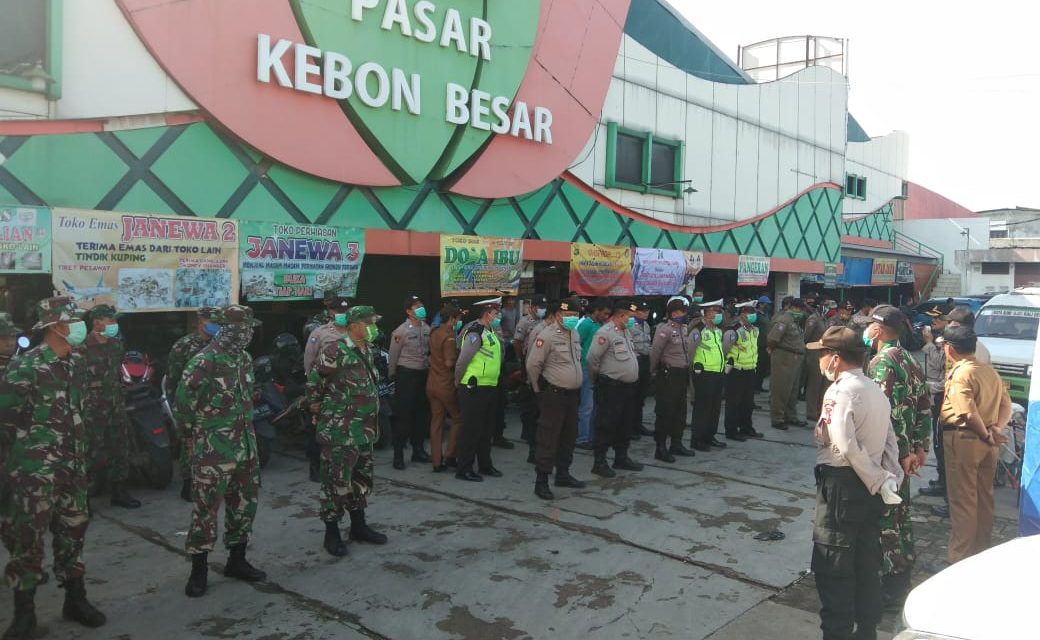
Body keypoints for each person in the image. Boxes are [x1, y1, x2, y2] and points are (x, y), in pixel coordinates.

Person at [0, 297, 107, 637]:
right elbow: (5, 420)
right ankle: (24, 613)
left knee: (73, 532)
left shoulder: (75, 363)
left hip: (72, 465)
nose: (80, 326)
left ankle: (75, 599)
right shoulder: (25, 366)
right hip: (33, 471)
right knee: (27, 540)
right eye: (74, 321)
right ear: (57, 326)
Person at [807, 326, 904, 640]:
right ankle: (866, 632)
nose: (820, 362)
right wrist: (889, 479)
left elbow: (844, 447)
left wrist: (878, 478)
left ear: (835, 359)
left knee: (834, 571)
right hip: (869, 489)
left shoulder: (840, 391)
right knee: (865, 569)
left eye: (823, 355)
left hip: (842, 489)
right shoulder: (874, 389)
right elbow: (891, 443)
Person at [174, 305, 266, 598]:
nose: (249, 334)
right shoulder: (204, 362)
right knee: (205, 510)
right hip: (214, 450)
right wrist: (192, 438)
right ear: (229, 329)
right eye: (244, 328)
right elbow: (183, 405)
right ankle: (198, 570)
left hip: (245, 447)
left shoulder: (244, 359)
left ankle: (236, 561)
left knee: (244, 506)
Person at [863, 305, 932, 611]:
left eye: (869, 327)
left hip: (889, 457)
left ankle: (891, 585)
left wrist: (903, 454)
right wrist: (920, 449)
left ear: (877, 330)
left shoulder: (882, 363)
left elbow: (884, 415)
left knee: (886, 518)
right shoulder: (909, 359)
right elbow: (924, 407)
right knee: (901, 514)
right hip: (904, 456)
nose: (866, 331)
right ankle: (902, 575)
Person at [307, 305, 388, 557]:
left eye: (373, 322)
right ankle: (331, 532)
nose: (373, 327)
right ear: (353, 325)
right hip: (341, 431)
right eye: (368, 322)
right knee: (335, 482)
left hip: (364, 430)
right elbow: (314, 385)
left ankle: (358, 526)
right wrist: (319, 412)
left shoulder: (368, 350)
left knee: (361, 478)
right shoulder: (335, 350)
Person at [938, 325, 1012, 565]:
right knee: (983, 498)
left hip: (966, 439)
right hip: (987, 441)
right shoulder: (989, 371)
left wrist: (985, 433)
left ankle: (958, 559)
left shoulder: (962, 373)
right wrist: (996, 430)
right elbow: (1006, 406)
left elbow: (968, 414)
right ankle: (981, 553)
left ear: (950, 349)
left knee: (963, 501)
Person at [78, 304, 140, 509]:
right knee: (88, 452)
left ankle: (119, 492)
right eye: (111, 321)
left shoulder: (116, 344)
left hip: (115, 405)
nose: (115, 324)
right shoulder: (82, 348)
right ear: (97, 322)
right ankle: (82, 499)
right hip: (92, 410)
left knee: (120, 448)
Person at [526, 298, 586, 500]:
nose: (572, 319)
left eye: (575, 316)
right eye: (568, 315)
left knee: (569, 437)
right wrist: (538, 391)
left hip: (572, 396)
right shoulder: (547, 335)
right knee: (548, 438)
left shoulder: (574, 334)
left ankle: (563, 474)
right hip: (553, 395)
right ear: (559, 315)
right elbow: (533, 365)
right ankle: (541, 481)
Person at [585, 300, 644, 477]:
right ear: (621, 315)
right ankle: (600, 461)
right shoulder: (605, 333)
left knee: (624, 424)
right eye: (630, 317)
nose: (631, 320)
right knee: (606, 424)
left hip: (627, 388)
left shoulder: (625, 332)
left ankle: (621, 457)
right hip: (611, 387)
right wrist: (598, 379)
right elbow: (592, 359)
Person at [167, 307, 219, 501]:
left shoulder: (218, 345)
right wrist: (178, 408)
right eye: (211, 321)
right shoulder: (183, 345)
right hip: (190, 403)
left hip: (214, 403)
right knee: (189, 444)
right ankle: (188, 483)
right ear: (200, 321)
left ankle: (209, 482)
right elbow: (173, 378)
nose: (215, 326)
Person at [454, 297, 504, 482]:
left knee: (486, 429)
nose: (498, 315)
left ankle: (485, 464)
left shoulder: (490, 331)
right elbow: (462, 361)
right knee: (471, 430)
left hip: (489, 386)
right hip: (474, 387)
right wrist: (458, 382)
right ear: (487, 313)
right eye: (495, 312)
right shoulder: (475, 332)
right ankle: (464, 468)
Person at [303, 296, 352, 482]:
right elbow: (309, 360)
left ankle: (341, 465)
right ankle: (315, 466)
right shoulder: (320, 333)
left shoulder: (352, 331)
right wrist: (314, 388)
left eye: (346, 311)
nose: (343, 315)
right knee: (318, 427)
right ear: (331, 312)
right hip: (324, 388)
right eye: (339, 311)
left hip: (347, 388)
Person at [388, 295, 432, 470]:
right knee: (403, 416)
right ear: (408, 311)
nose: (421, 309)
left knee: (421, 415)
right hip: (406, 375)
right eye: (416, 306)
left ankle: (418, 450)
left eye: (421, 305)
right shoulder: (401, 331)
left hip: (423, 374)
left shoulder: (427, 328)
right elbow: (393, 356)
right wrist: (393, 375)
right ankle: (398, 455)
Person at [650, 297, 696, 462]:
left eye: (682, 311)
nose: (680, 314)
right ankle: (660, 447)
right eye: (676, 312)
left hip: (682, 374)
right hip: (668, 375)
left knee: (680, 412)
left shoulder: (683, 329)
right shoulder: (665, 330)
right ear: (670, 313)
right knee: (665, 412)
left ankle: (676, 443)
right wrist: (653, 371)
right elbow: (655, 352)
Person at [427, 303, 464, 472]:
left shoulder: (434, 331)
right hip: (445, 384)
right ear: (452, 319)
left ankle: (436, 461)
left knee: (436, 422)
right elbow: (449, 362)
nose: (459, 322)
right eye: (458, 319)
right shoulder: (449, 335)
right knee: (458, 418)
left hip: (432, 382)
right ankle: (450, 455)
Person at [918, 308, 949, 504]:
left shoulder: (949, 342)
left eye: (937, 319)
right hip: (936, 394)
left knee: (940, 442)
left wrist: (929, 343)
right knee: (938, 444)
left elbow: (940, 368)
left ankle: (946, 485)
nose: (933, 323)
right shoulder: (941, 339)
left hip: (941, 396)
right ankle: (942, 481)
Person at [690, 299, 728, 451]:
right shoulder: (698, 330)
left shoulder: (717, 330)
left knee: (714, 407)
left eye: (718, 311)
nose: (718, 314)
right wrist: (693, 369)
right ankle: (697, 439)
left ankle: (709, 435)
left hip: (718, 372)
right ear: (706, 313)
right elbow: (690, 352)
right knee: (702, 408)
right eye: (715, 311)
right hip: (704, 373)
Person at [514, 295, 548, 461]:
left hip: (542, 366)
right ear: (532, 307)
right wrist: (522, 361)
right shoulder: (525, 322)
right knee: (530, 406)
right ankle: (530, 440)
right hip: (528, 362)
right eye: (539, 306)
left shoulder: (546, 324)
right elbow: (518, 342)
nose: (541, 309)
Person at [723, 302, 763, 440]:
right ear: (741, 314)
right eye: (748, 312)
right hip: (736, 371)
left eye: (753, 312)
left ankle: (746, 427)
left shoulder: (754, 330)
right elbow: (725, 349)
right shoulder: (733, 330)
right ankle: (731, 431)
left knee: (747, 403)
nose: (751, 315)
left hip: (750, 370)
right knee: (734, 403)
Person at [767, 298, 808, 430]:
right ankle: (777, 418)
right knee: (781, 389)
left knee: (793, 389)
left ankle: (791, 416)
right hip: (784, 356)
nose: (800, 312)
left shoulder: (794, 321)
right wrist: (772, 349)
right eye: (799, 309)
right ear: (793, 308)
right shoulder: (784, 320)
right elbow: (773, 338)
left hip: (795, 357)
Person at [575, 299, 611, 448]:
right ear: (596, 310)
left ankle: (591, 436)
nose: (606, 316)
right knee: (586, 406)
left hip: (598, 369)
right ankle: (582, 438)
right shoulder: (586, 325)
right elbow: (577, 345)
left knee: (596, 406)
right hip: (585, 368)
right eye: (604, 313)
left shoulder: (600, 325)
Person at [629, 301, 654, 440]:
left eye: (647, 310)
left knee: (641, 396)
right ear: (636, 311)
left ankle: (638, 425)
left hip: (645, 361)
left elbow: (648, 344)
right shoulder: (630, 324)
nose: (646, 313)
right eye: (643, 310)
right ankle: (630, 427)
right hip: (635, 360)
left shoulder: (646, 325)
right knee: (632, 397)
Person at [804, 299, 830, 424]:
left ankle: (820, 410)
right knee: (814, 384)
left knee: (823, 385)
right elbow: (806, 337)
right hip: (814, 352)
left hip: (824, 353)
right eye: (825, 305)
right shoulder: (813, 319)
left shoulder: (823, 319)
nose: (827, 308)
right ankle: (811, 411)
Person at [754, 295, 772, 392]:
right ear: (760, 304)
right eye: (766, 304)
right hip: (759, 344)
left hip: (766, 344)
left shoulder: (766, 315)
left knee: (764, 367)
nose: (768, 306)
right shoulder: (757, 315)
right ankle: (755, 386)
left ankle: (759, 385)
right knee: (759, 366)